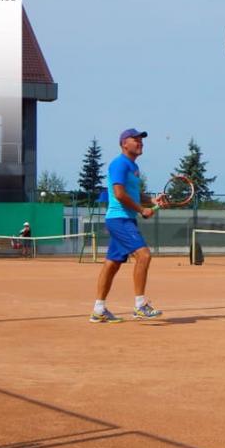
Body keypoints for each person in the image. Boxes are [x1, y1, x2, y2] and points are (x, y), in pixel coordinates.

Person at [89, 128, 164, 324]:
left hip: (124, 218)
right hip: (119, 218)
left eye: (141, 139)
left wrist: (152, 200)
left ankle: (98, 310)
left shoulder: (132, 167)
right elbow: (120, 194)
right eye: (136, 139)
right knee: (144, 255)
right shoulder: (119, 164)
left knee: (112, 264)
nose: (140, 142)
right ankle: (140, 306)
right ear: (124, 143)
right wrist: (142, 210)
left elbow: (133, 194)